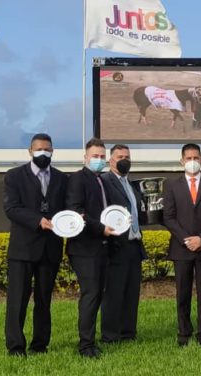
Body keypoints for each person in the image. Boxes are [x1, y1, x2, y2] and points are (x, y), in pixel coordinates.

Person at [3, 133, 68, 356]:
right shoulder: (14, 176)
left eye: (47, 149)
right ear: (30, 151)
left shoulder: (62, 178)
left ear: (53, 151)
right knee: (17, 300)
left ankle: (40, 344)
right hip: (22, 249)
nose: (44, 153)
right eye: (39, 149)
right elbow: (11, 209)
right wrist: (37, 221)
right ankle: (15, 346)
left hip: (50, 249)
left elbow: (66, 210)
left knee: (44, 300)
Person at [162, 143, 201, 347]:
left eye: (196, 158)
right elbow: (168, 217)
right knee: (183, 293)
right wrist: (186, 239)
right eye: (188, 158)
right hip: (182, 249)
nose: (192, 162)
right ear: (182, 161)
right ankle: (184, 333)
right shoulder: (172, 185)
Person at [66, 138, 115, 358]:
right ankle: (86, 345)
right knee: (91, 294)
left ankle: (91, 341)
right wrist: (101, 228)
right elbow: (77, 212)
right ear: (85, 158)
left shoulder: (102, 180)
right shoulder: (78, 179)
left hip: (102, 247)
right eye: (95, 156)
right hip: (85, 248)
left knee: (97, 294)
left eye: (102, 156)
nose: (99, 160)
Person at [100, 144, 147, 343]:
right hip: (115, 244)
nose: (124, 159)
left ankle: (128, 332)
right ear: (111, 160)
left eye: (127, 156)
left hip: (134, 245)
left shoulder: (131, 184)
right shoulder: (104, 181)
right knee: (113, 292)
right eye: (120, 156)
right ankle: (110, 335)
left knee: (131, 291)